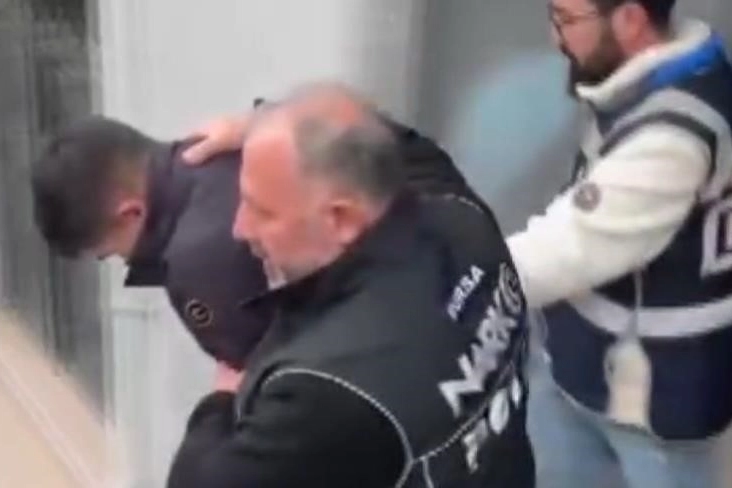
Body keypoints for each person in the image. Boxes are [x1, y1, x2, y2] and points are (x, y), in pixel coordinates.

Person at [166, 85, 534, 488]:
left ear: (340, 219)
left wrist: (220, 402)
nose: (241, 228)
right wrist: (263, 128)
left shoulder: (325, 389)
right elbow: (391, 142)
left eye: (262, 211)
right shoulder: (460, 213)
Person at [507, 1, 732, 487]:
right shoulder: (657, 80)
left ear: (630, 19)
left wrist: (453, 276)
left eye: (566, 19)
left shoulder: (671, 137)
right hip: (585, 364)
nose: (556, 38)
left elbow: (569, 249)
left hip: (658, 401)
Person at [31, 117, 268, 369]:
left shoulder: (194, 267)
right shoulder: (240, 139)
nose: (126, 261)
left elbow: (269, 375)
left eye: (110, 254)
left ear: (131, 213)